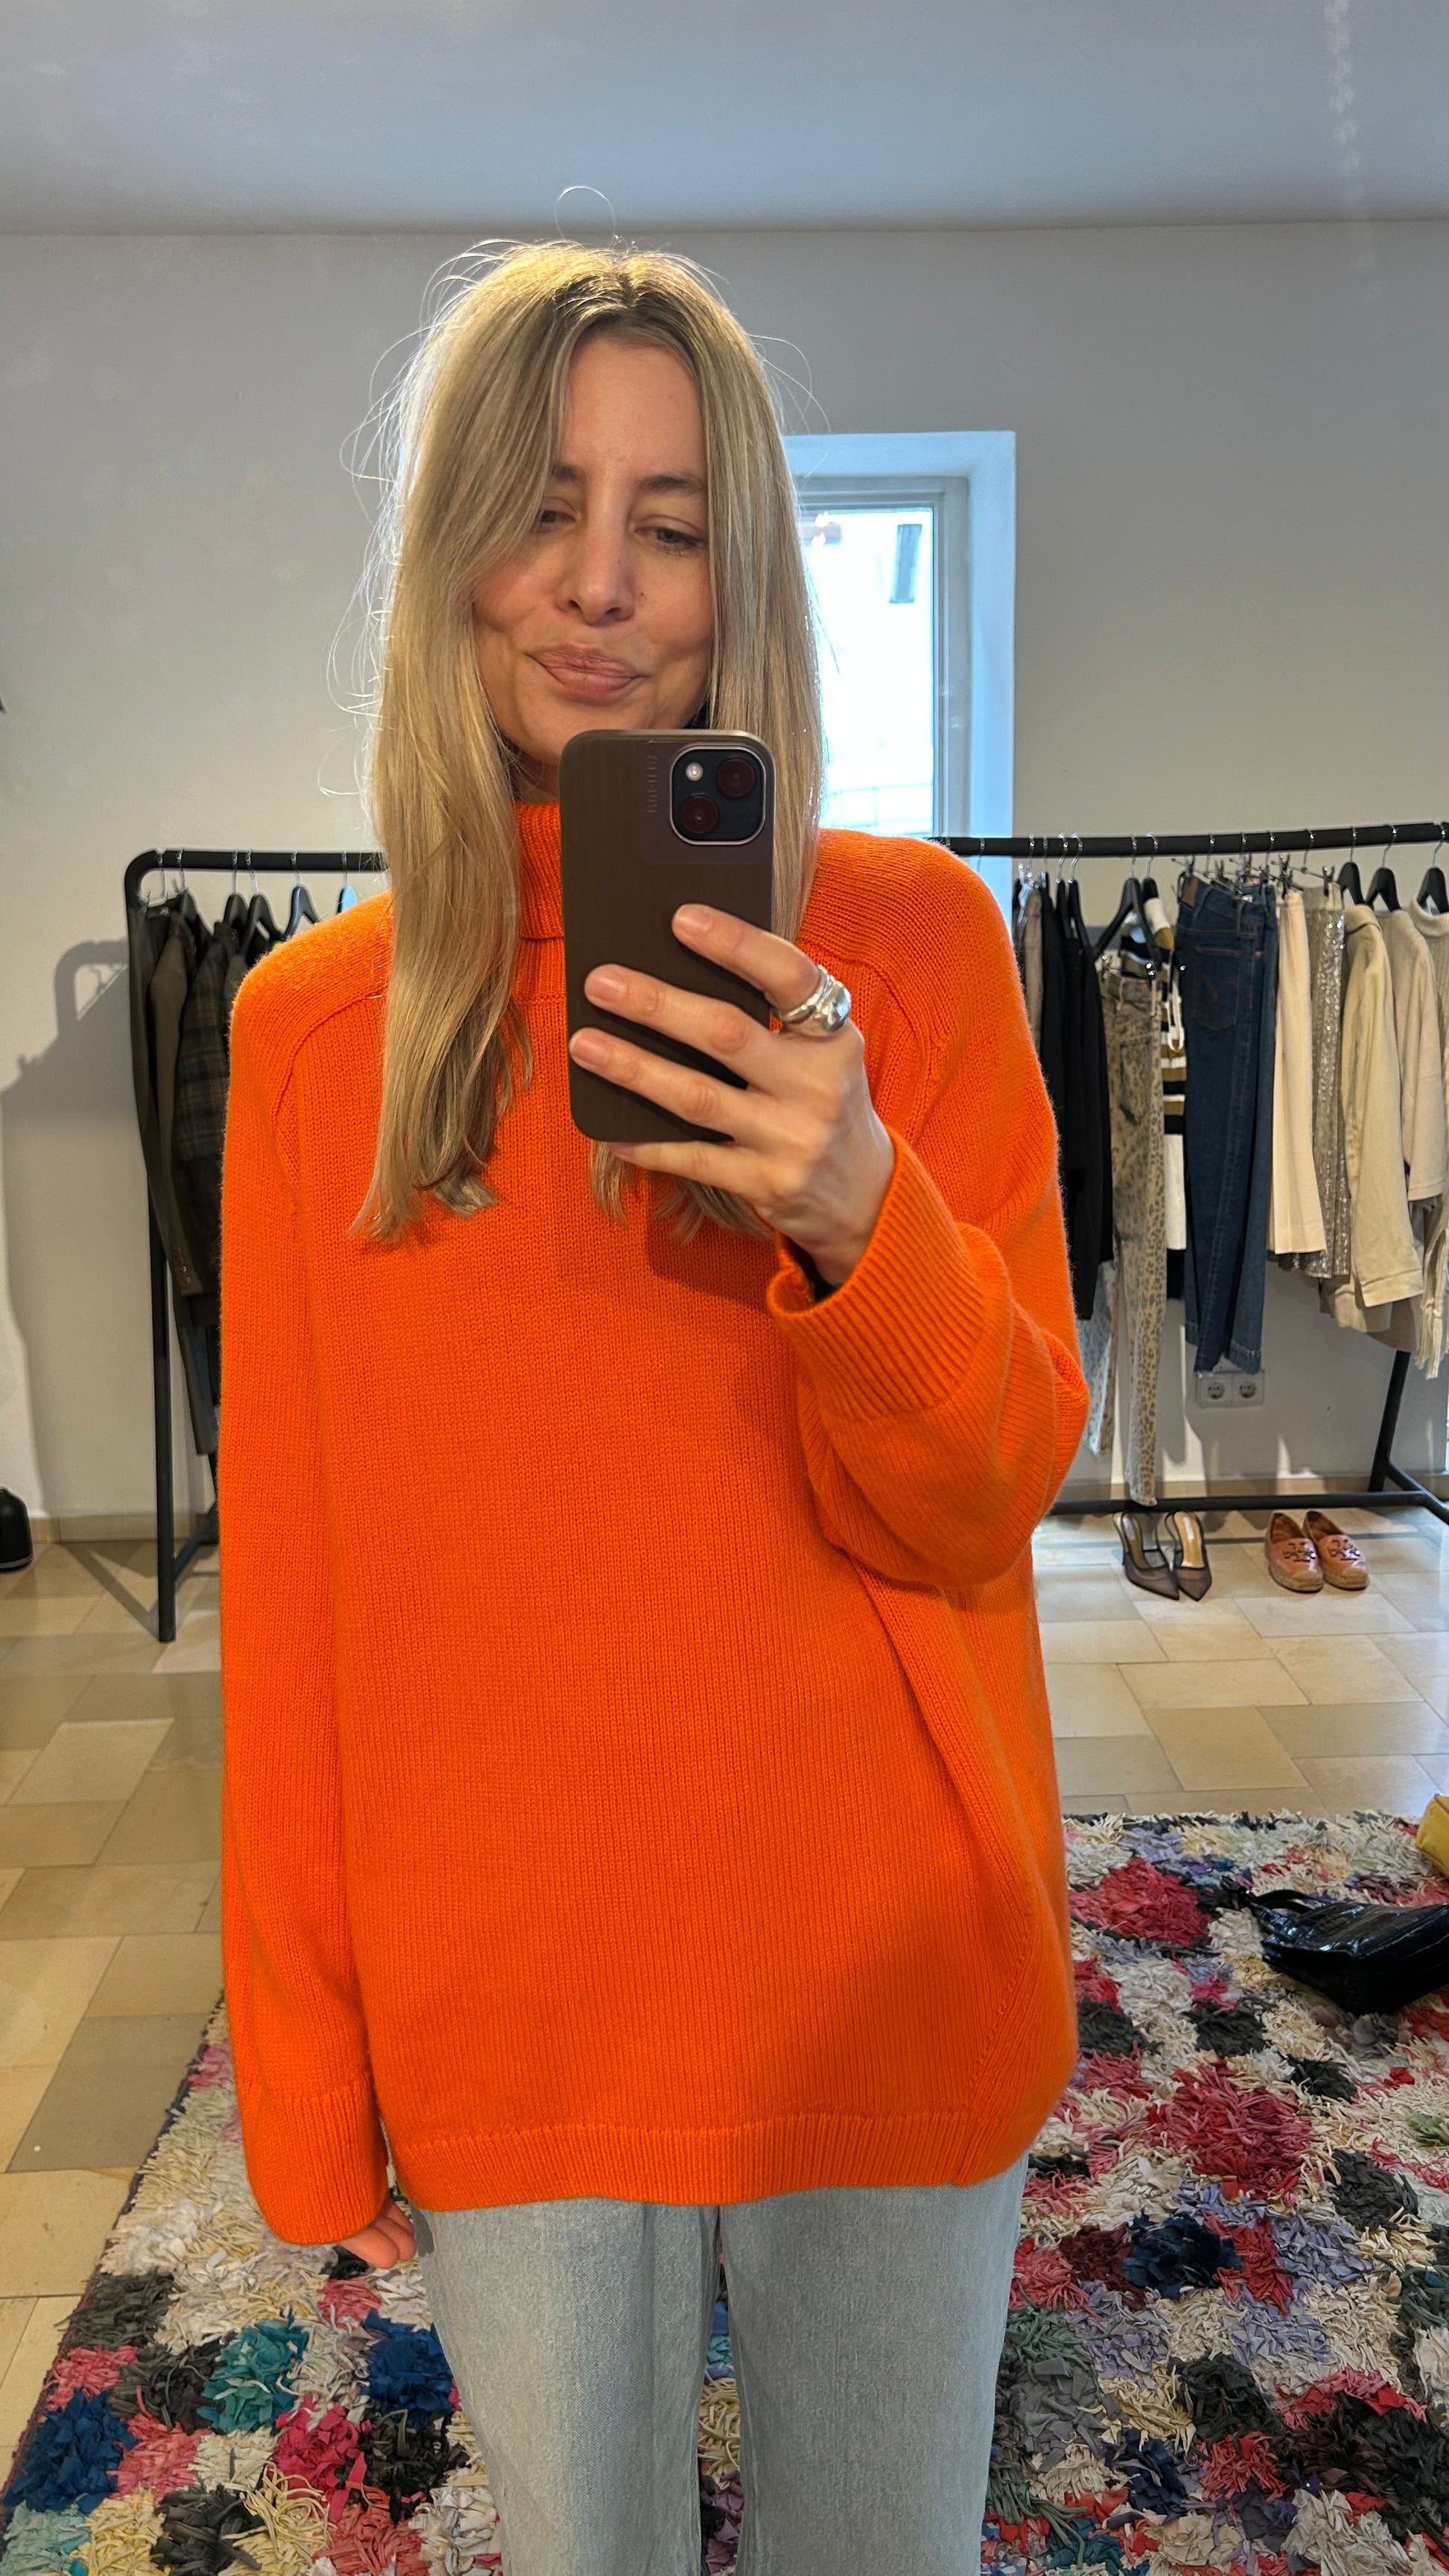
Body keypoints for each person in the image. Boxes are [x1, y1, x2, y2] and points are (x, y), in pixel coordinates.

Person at [218, 240, 1089, 2576]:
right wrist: (306, 2070)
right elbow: (295, 1596)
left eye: (672, 523)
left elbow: (988, 1490)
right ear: (450, 548)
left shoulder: (905, 954)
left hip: (878, 1958)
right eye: (540, 504)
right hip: (512, 1992)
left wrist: (854, 1208)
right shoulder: (315, 1036)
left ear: (740, 578)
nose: (599, 584)